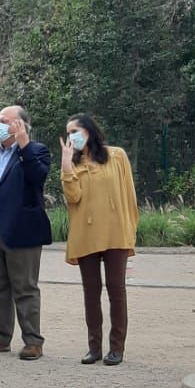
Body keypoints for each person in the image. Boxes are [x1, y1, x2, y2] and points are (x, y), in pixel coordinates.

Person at [0, 105, 52, 361]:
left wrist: (25, 145)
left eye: (5, 121)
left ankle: (33, 341)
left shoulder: (36, 151)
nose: (0, 124)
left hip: (21, 230)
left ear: (21, 125)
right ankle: (0, 337)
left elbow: (37, 177)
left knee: (24, 286)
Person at [60, 114, 138, 366]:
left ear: (89, 130)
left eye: (75, 131)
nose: (71, 136)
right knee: (91, 292)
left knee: (117, 290)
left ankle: (117, 348)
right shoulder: (74, 163)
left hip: (116, 233)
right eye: (68, 132)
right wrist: (66, 167)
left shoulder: (117, 156)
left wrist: (130, 228)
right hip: (86, 236)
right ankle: (94, 347)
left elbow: (129, 194)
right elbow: (73, 198)